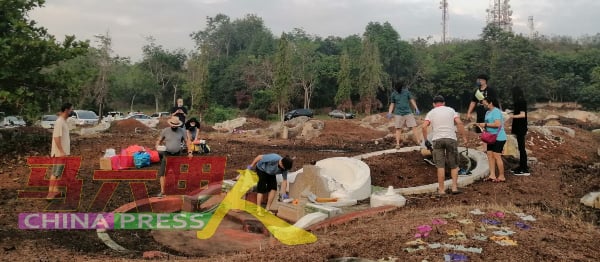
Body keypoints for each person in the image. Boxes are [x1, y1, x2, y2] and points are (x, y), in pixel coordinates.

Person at [422, 96, 468, 195]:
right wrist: (464, 137)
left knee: (440, 166)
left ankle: (441, 190)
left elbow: (424, 126)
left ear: (434, 104)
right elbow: (459, 123)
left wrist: (426, 140)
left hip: (437, 140)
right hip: (450, 139)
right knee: (454, 165)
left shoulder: (431, 112)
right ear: (444, 103)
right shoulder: (451, 110)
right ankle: (454, 188)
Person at [155, 116, 189, 198]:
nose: (174, 126)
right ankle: (162, 191)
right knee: (162, 173)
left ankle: (175, 189)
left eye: (176, 125)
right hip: (167, 154)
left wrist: (190, 151)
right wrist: (157, 145)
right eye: (173, 124)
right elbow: (159, 140)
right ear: (170, 123)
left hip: (177, 155)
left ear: (178, 125)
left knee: (177, 173)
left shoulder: (182, 131)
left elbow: (187, 141)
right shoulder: (165, 131)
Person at [478, 97, 507, 182]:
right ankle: (492, 175)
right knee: (490, 155)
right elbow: (488, 124)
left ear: (490, 103)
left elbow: (497, 124)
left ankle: (502, 176)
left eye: (485, 103)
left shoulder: (496, 111)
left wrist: (485, 124)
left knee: (496, 155)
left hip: (499, 137)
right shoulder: (487, 112)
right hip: (490, 137)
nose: (483, 105)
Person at [48, 103, 73, 199]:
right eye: (71, 109)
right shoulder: (59, 122)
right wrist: (62, 152)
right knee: (55, 173)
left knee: (59, 173)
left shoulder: (63, 121)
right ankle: (50, 194)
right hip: (59, 153)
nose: (72, 111)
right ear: (66, 110)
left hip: (62, 153)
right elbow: (56, 137)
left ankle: (56, 191)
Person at [387, 83, 421, 149]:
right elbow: (392, 104)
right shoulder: (393, 94)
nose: (398, 90)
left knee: (414, 126)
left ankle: (418, 141)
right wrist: (389, 112)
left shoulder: (406, 92)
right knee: (398, 128)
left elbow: (412, 100)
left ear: (401, 88)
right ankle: (397, 144)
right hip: (398, 113)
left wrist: (416, 108)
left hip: (408, 112)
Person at [509, 86, 530, 176]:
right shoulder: (518, 102)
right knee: (520, 148)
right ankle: (521, 165)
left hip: (521, 128)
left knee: (522, 148)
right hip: (518, 127)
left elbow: (522, 115)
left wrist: (511, 116)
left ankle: (524, 169)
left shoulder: (521, 101)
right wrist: (510, 113)